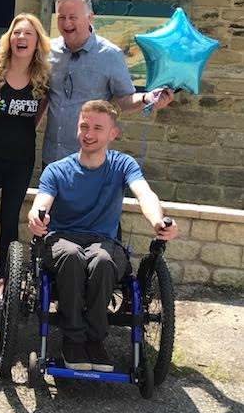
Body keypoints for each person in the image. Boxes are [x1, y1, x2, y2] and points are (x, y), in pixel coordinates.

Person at [28, 100, 178, 372]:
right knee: (72, 255)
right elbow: (42, 201)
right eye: (84, 126)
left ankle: (95, 339)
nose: (89, 133)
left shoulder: (123, 165)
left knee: (102, 260)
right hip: (62, 239)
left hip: (104, 241)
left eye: (98, 127)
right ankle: (73, 339)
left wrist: (158, 220)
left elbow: (144, 193)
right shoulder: (57, 170)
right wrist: (37, 217)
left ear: (113, 133)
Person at [0, 13, 50, 300]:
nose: (22, 38)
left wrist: (15, 138)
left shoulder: (42, 79)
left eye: (28, 34)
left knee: (10, 220)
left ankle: (5, 277)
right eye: (17, 33)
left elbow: (36, 118)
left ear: (37, 41)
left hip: (20, 160)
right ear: (9, 38)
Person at [42, 0, 174, 167]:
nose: (66, 23)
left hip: (89, 161)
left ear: (90, 17)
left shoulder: (110, 55)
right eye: (61, 17)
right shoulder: (48, 51)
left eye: (73, 17)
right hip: (52, 158)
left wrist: (146, 97)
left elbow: (125, 99)